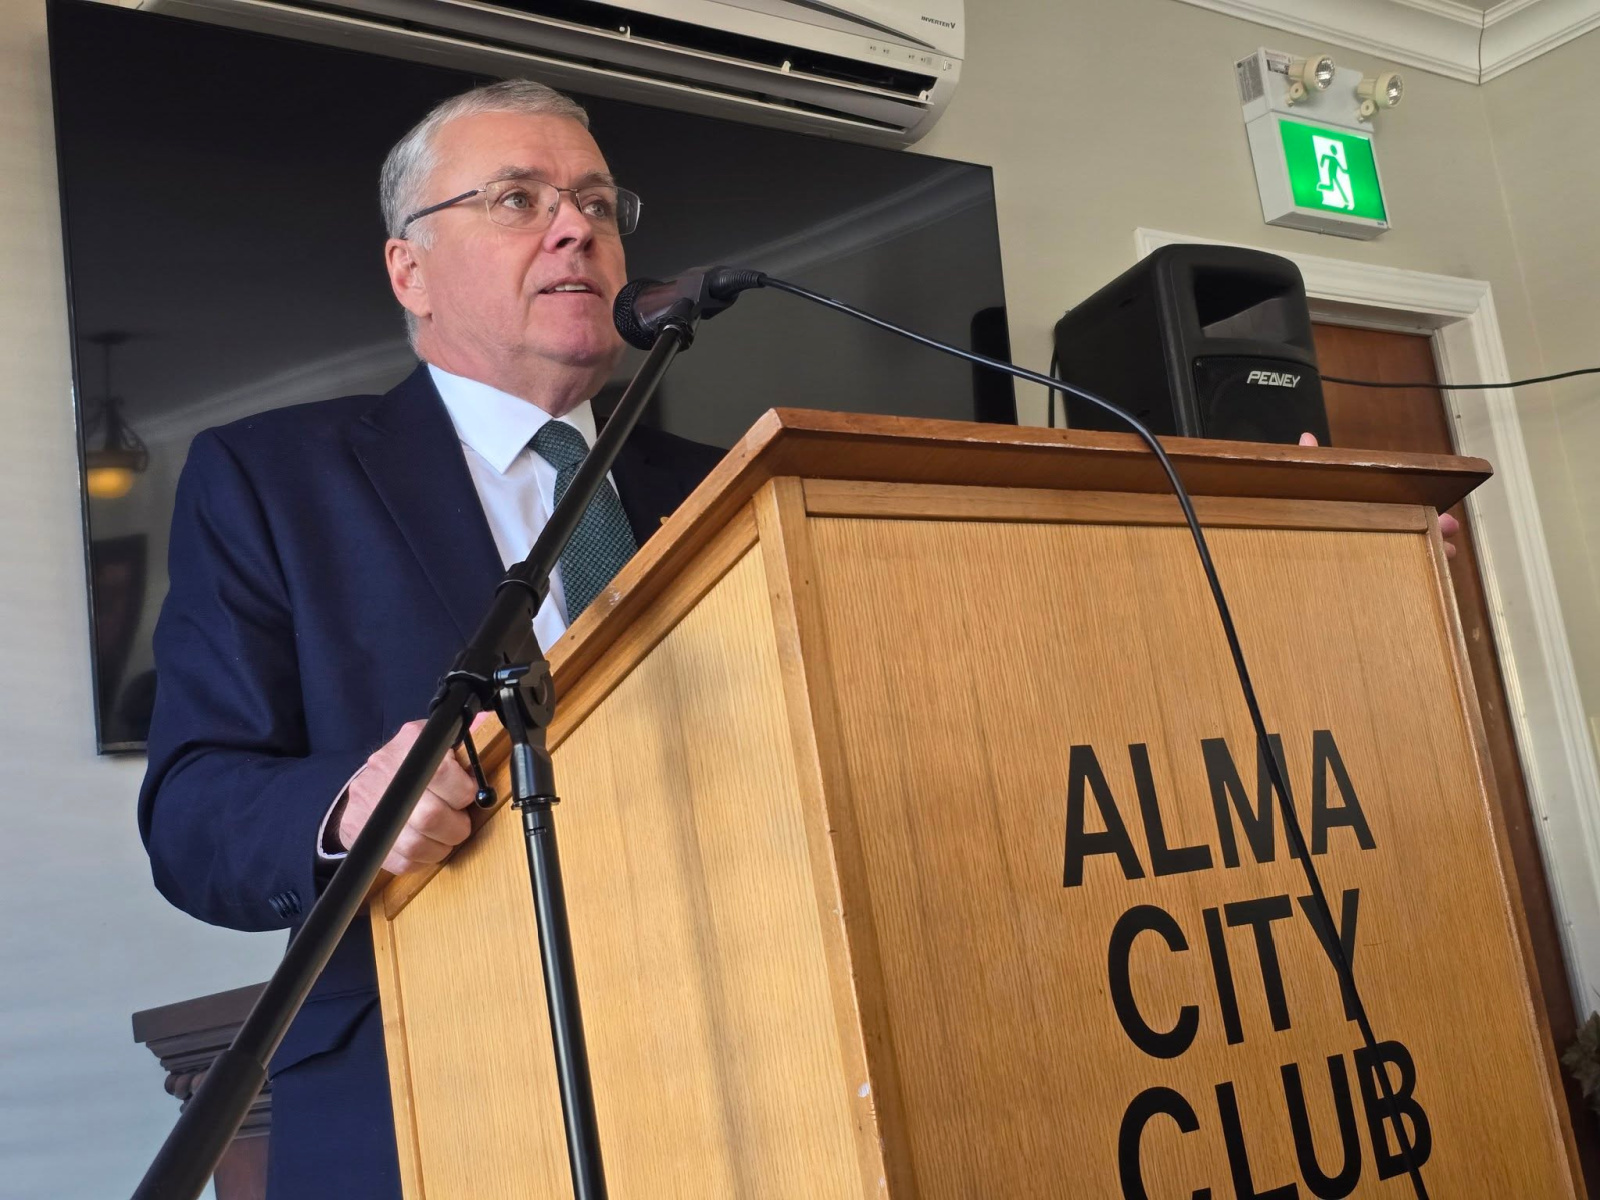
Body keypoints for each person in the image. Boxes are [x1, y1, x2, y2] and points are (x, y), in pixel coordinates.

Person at [138, 79, 722, 1199]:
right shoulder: (270, 479)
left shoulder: (721, 483)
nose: (576, 229)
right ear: (409, 270)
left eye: (598, 205)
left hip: (737, 1042)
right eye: (517, 198)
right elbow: (194, 811)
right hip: (423, 1092)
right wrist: (350, 809)